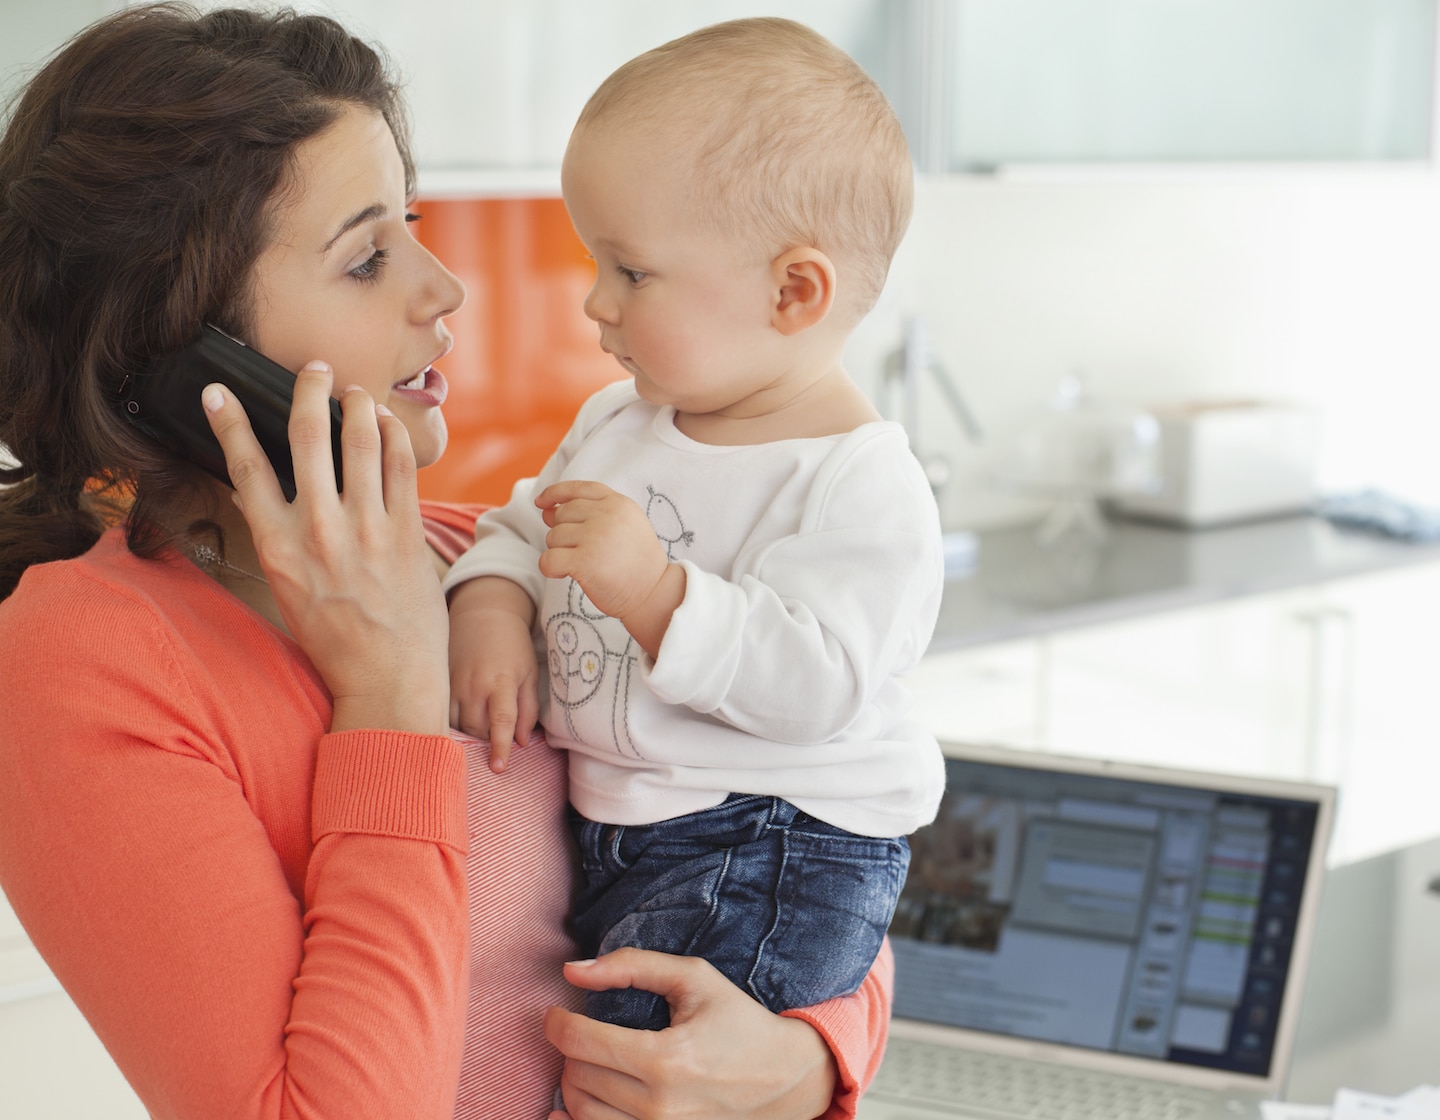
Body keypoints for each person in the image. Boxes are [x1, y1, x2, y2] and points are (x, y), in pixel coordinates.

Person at [0, 6, 893, 1119]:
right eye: (369, 257)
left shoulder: (491, 562)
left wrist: (810, 1052)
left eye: (411, 224)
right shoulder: (79, 658)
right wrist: (390, 698)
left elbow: (800, 827)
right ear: (189, 358)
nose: (446, 288)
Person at [445, 18, 946, 1032]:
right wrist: (494, 602)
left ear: (793, 291)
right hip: (629, 830)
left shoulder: (859, 481)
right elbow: (517, 528)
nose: (595, 303)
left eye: (631, 272)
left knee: (636, 1068)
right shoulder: (618, 424)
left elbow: (815, 685)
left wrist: (656, 595)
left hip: (771, 844)